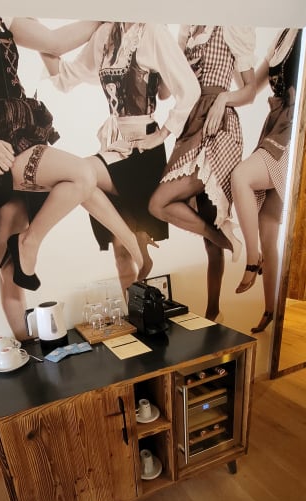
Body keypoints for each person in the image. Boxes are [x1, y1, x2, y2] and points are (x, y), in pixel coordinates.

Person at [0, 12, 144, 338]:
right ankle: (30, 246)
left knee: (15, 265)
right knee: (80, 176)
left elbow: (55, 42)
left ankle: (26, 338)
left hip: (21, 129)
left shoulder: (0, 16)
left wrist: (105, 15)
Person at [42, 21, 201, 295]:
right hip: (114, 144)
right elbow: (66, 78)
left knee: (80, 174)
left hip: (141, 152)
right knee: (120, 254)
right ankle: (133, 309)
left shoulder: (153, 32)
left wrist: (163, 133)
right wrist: (40, 41)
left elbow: (190, 89)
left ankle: (135, 243)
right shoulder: (105, 34)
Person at [148, 25, 256, 320]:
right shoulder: (186, 33)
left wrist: (223, 99)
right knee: (208, 236)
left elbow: (250, 90)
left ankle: (223, 242)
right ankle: (214, 312)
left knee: (159, 203)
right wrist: (172, 48)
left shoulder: (229, 27)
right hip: (190, 124)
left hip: (217, 126)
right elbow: (166, 91)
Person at [231, 29, 301, 333]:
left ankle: (252, 258)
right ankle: (270, 310)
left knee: (241, 176)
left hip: (290, 130)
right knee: (268, 228)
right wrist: (238, 51)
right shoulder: (282, 37)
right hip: (275, 126)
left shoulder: (303, 37)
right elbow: (250, 88)